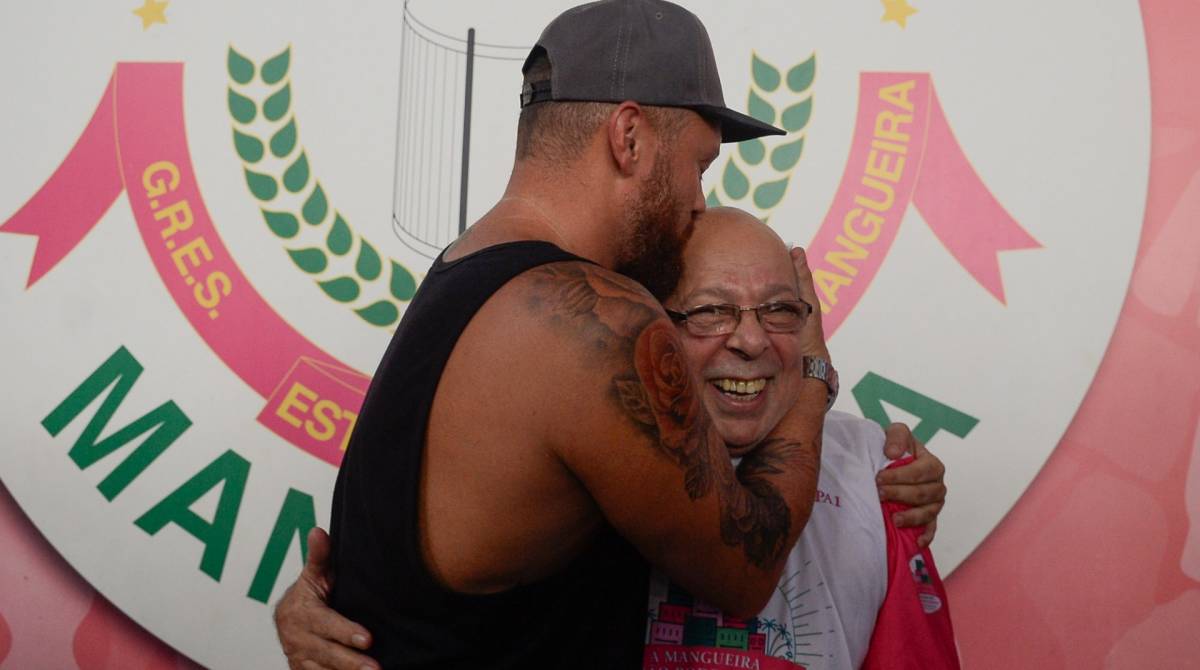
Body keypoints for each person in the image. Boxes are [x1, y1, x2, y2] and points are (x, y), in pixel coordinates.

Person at [322, 1, 946, 667]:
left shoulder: (460, 274)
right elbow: (747, 566)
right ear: (629, 137)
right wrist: (810, 380)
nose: (700, 201)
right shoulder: (595, 319)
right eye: (699, 165)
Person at [275, 209, 955, 670]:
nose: (750, 341)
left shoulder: (876, 469)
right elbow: (449, 600)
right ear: (648, 328)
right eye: (712, 311)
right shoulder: (574, 461)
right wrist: (343, 613)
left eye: (780, 311)